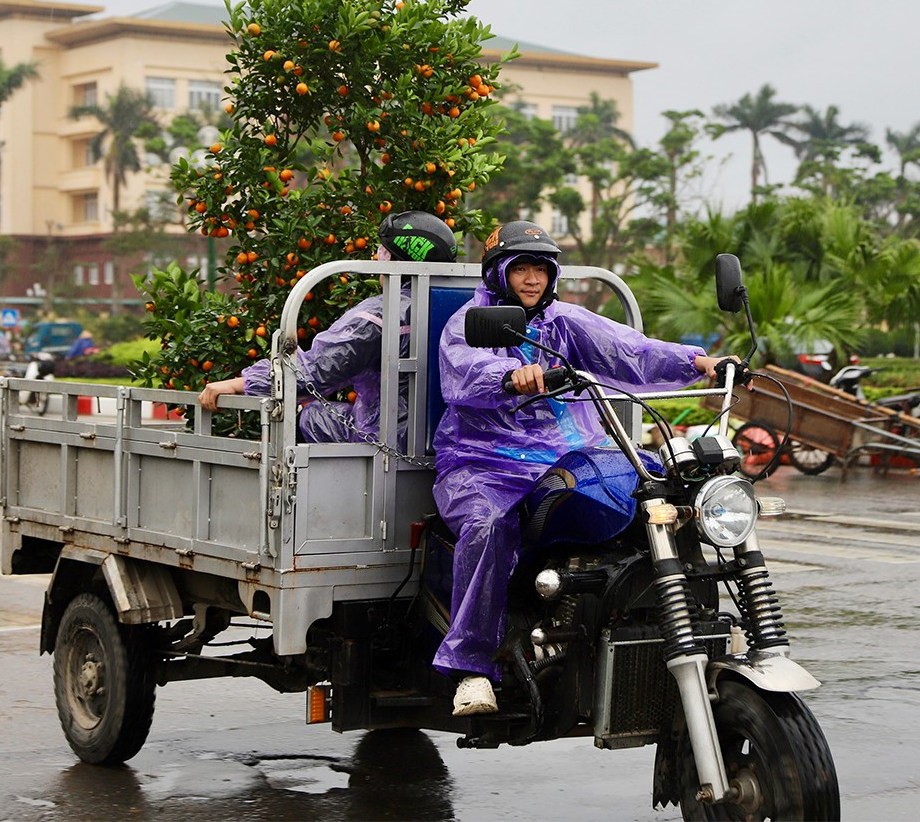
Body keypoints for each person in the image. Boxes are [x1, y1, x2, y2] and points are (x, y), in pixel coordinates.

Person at [432, 220, 732, 716]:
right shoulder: (473, 321)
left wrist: (698, 363)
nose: (532, 280)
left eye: (541, 271)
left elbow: (629, 350)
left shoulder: (564, 322)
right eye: (521, 269)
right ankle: (471, 665)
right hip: (484, 462)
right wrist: (511, 376)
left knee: (671, 488)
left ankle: (686, 624)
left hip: (566, 458)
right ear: (499, 273)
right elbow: (465, 370)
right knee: (488, 526)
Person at [197, 210, 458, 445]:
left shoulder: (380, 316)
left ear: (391, 259)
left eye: (381, 252)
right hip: (446, 436)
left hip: (390, 441)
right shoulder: (460, 306)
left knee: (311, 415)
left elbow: (313, 374)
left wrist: (237, 384)